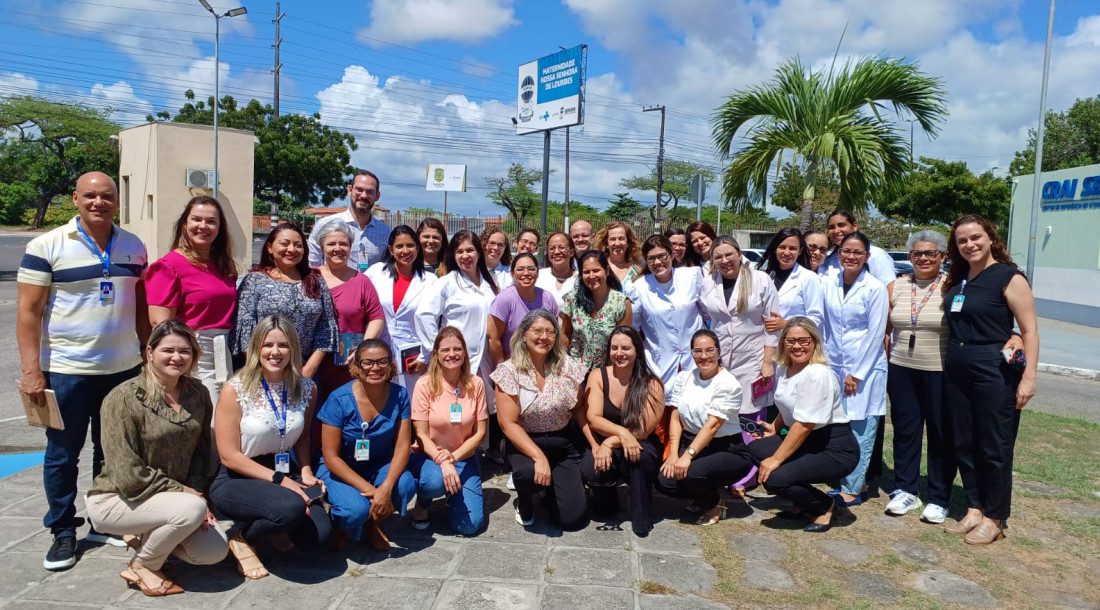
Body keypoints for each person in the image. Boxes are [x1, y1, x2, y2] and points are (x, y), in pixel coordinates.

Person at [18, 171, 148, 570]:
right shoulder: (47, 244)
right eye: (90, 196)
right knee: (63, 454)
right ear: (75, 198)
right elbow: (29, 312)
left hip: (123, 369)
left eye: (106, 196)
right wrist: (31, 370)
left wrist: (147, 358)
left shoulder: (134, 246)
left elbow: (141, 308)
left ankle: (103, 521)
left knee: (111, 452)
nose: (99, 203)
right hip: (67, 370)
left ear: (117, 202)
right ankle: (61, 530)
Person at [86, 321, 227, 597]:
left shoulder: (197, 393)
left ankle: (147, 532)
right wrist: (186, 496)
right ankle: (143, 565)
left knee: (214, 551)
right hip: (117, 497)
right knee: (190, 511)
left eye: (185, 351)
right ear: (150, 352)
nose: (177, 357)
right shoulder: (122, 398)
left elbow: (200, 454)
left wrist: (198, 494)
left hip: (174, 500)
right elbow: (126, 472)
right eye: (168, 350)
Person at [941, 215, 1038, 545]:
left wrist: (1029, 377)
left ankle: (996, 517)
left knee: (994, 445)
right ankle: (974, 507)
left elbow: (1030, 331)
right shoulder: (960, 278)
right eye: (962, 241)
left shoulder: (1009, 277)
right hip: (957, 367)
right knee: (964, 441)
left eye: (975, 237)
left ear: (991, 238)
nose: (969, 244)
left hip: (993, 369)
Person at [211, 316, 330, 580]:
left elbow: (302, 438)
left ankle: (276, 528)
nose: (275, 352)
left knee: (319, 536)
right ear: (256, 348)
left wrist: (307, 472)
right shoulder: (235, 389)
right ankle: (242, 538)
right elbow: (228, 456)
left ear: (293, 350)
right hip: (237, 476)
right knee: (290, 509)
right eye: (267, 345)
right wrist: (283, 482)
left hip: (283, 467)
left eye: (283, 345)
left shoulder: (306, 387)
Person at [745, 317, 859, 532]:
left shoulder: (817, 374)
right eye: (791, 341)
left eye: (804, 340)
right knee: (756, 448)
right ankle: (801, 501)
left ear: (814, 342)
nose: (797, 346)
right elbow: (789, 403)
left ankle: (824, 506)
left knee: (774, 478)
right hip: (808, 440)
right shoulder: (784, 368)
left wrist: (776, 460)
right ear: (783, 344)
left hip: (834, 447)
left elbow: (805, 424)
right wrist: (775, 427)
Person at [492, 310, 590, 530]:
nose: (543, 337)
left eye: (550, 332)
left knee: (573, 520)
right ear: (524, 334)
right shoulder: (508, 371)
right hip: (525, 442)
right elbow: (508, 423)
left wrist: (593, 442)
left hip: (562, 442)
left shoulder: (567, 366)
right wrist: (539, 458)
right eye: (537, 331)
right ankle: (525, 502)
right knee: (526, 472)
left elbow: (578, 407)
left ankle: (549, 489)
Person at [316, 339, 417, 550]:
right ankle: (342, 524)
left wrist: (386, 487)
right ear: (357, 366)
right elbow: (331, 458)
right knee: (354, 511)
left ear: (391, 365)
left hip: (377, 465)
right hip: (339, 468)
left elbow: (402, 447)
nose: (375, 368)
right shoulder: (339, 399)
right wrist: (375, 492)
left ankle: (373, 523)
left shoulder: (399, 395)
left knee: (405, 484)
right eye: (368, 362)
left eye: (382, 362)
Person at [884, 230, 955, 523]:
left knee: (941, 434)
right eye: (917, 254)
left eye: (931, 253)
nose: (923, 258)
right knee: (905, 430)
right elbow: (884, 328)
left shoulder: (952, 285)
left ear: (942, 256)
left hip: (940, 371)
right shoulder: (898, 286)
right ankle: (905, 489)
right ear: (910, 256)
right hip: (901, 369)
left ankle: (939, 497)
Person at [700, 236, 779, 494]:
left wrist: (768, 362)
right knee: (724, 414)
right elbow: (705, 319)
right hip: (722, 360)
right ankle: (728, 466)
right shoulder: (709, 283)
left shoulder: (760, 280)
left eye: (729, 254)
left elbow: (772, 325)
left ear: (739, 253)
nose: (724, 261)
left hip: (754, 358)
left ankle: (749, 476)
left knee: (751, 417)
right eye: (718, 257)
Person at [146, 195, 238, 409]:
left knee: (225, 419)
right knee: (208, 422)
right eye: (197, 219)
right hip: (192, 352)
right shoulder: (168, 266)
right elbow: (161, 325)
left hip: (223, 350)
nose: (203, 226)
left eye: (211, 221)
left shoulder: (223, 266)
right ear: (184, 224)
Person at [820, 231, 888, 507]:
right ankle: (840, 477)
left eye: (857, 252)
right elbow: (823, 323)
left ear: (867, 257)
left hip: (866, 369)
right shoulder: (829, 282)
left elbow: (875, 334)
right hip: (835, 364)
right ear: (839, 254)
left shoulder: (874, 288)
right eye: (846, 251)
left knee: (862, 426)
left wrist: (856, 373)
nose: (851, 256)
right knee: (839, 425)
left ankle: (853, 486)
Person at [658, 330, 752, 526]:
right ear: (691, 353)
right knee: (664, 481)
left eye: (709, 350)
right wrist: (674, 453)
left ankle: (714, 505)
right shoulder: (684, 378)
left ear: (718, 352)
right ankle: (701, 495)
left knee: (693, 472)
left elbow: (713, 425)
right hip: (691, 439)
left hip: (726, 447)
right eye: (698, 351)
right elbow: (675, 415)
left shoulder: (728, 384)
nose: (704, 356)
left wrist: (687, 456)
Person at [582, 326, 665, 536]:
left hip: (640, 441)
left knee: (640, 457)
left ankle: (642, 512)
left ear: (637, 350)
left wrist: (610, 442)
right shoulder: (598, 375)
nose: (619, 353)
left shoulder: (652, 383)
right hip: (607, 440)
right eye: (614, 348)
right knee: (593, 469)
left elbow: (643, 429)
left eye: (626, 348)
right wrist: (621, 434)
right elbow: (594, 418)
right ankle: (606, 498)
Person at [407, 328, 488, 535]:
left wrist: (453, 458)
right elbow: (421, 434)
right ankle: (424, 502)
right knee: (433, 483)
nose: (452, 354)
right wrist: (442, 460)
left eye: (457, 349)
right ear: (435, 354)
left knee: (470, 526)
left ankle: (454, 494)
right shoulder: (424, 384)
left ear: (464, 353)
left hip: (463, 457)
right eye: (445, 350)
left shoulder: (476, 383)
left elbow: (480, 433)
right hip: (431, 456)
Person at [232, 223, 339, 379]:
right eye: (285, 243)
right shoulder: (254, 281)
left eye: (298, 245)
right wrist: (264, 369)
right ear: (270, 247)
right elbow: (244, 330)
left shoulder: (316, 281)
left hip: (305, 372)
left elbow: (327, 327)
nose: (291, 249)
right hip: (263, 371)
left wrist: (308, 369)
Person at [415, 229, 499, 401]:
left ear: (479, 253)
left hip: (487, 359)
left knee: (483, 412)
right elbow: (424, 314)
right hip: (456, 361)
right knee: (458, 409)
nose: (465, 256)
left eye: (470, 250)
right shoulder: (446, 283)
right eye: (459, 251)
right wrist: (438, 348)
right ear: (453, 255)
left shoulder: (491, 282)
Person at [314, 223, 386, 397]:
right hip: (312, 362)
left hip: (348, 362)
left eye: (343, 244)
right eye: (331, 244)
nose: (338, 248)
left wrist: (363, 348)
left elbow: (376, 317)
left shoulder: (362, 281)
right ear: (322, 247)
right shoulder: (311, 278)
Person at [366, 225, 438, 389]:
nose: (405, 251)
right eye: (399, 246)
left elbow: (433, 322)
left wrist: (425, 356)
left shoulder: (430, 280)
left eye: (410, 245)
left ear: (418, 249)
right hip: (379, 350)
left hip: (413, 356)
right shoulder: (376, 273)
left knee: (410, 402)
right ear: (391, 250)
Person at [628, 235, 704, 387]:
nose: (657, 262)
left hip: (695, 360)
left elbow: (709, 311)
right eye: (651, 258)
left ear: (671, 254)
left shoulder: (692, 276)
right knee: (663, 404)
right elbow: (634, 328)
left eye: (662, 256)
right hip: (659, 362)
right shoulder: (639, 287)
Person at [561, 250, 633, 371]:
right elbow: (565, 333)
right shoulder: (573, 299)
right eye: (586, 272)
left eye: (596, 270)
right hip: (575, 370)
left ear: (607, 270)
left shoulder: (621, 303)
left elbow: (623, 342)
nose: (592, 276)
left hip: (607, 371)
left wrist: (609, 373)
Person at [308, 170, 391, 270]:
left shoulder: (386, 233)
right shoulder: (324, 225)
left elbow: (386, 269)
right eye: (359, 189)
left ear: (377, 196)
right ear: (350, 190)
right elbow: (312, 266)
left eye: (370, 192)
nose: (364, 195)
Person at [488, 253, 560, 367]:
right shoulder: (504, 300)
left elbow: (555, 333)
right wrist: (501, 371)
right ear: (513, 273)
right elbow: (493, 339)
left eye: (531, 269)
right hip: (514, 368)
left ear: (537, 273)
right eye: (520, 269)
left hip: (545, 366)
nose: (526, 273)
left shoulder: (547, 297)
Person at [758, 228, 824, 330]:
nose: (787, 252)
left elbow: (817, 318)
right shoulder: (764, 276)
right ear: (776, 248)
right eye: (782, 247)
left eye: (792, 248)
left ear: (800, 251)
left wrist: (786, 324)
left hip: (792, 342)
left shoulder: (809, 278)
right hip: (764, 342)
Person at [819, 210, 895, 285]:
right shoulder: (827, 261)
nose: (836, 231)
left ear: (854, 226)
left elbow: (887, 292)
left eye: (841, 225)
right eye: (831, 227)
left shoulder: (876, 255)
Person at [536, 232, 577, 308]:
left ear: (571, 252)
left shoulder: (581, 279)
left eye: (562, 247)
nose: (557, 252)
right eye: (551, 248)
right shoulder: (537, 276)